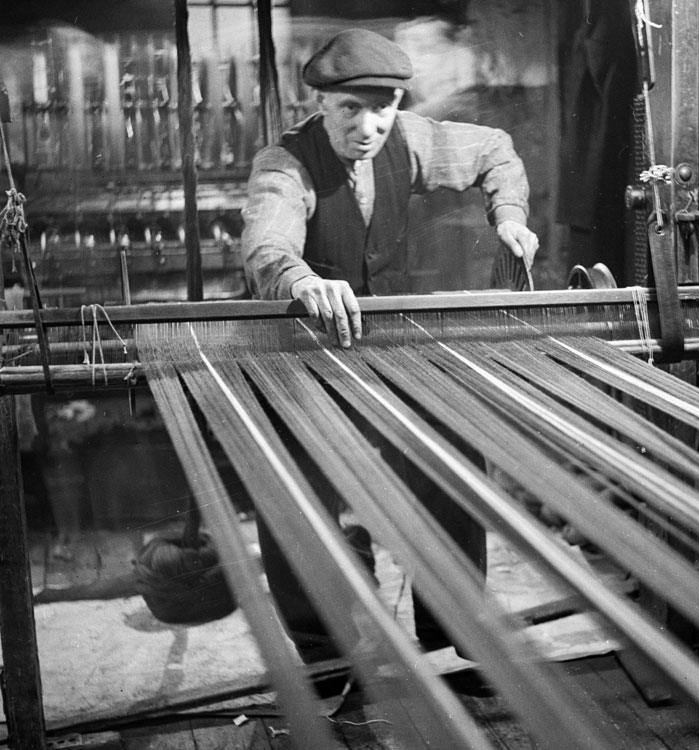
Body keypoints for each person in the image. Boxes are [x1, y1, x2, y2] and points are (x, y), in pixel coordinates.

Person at [241, 28, 539, 669]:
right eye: (351, 109)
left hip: (389, 347)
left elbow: (497, 153)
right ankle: (331, 653)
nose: (370, 125)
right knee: (296, 487)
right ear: (320, 105)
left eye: (385, 106)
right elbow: (267, 246)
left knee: (448, 457)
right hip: (307, 355)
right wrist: (302, 280)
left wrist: (509, 215)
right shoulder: (285, 164)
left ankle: (453, 634)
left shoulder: (411, 138)